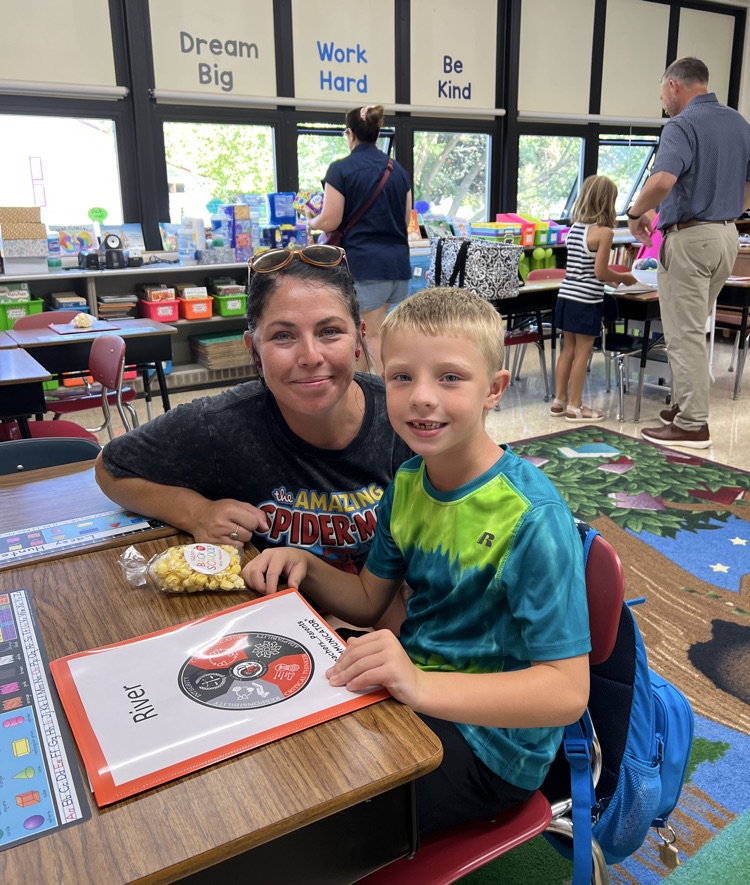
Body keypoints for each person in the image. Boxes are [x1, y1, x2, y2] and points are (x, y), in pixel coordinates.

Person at [243, 287, 591, 837]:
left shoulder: (531, 519)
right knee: (271, 752)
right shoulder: (408, 485)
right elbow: (366, 599)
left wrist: (419, 685)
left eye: (450, 378)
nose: (421, 397)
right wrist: (300, 560)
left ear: (493, 390)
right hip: (416, 692)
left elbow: (567, 694)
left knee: (300, 818)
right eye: (402, 377)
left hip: (494, 750)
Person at [95, 245, 412, 628]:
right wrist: (196, 512)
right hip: (265, 626)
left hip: (380, 627)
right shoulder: (223, 423)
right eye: (283, 336)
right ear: (254, 351)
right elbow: (111, 467)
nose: (310, 355)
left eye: (330, 331)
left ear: (360, 338)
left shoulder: (403, 418)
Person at [626, 57, 750, 449]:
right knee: (693, 328)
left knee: (684, 335)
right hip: (727, 235)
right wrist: (726, 208)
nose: (662, 102)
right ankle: (683, 406)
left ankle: (693, 423)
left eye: (662, 93)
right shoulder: (739, 123)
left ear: (674, 85)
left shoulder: (681, 124)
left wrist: (634, 212)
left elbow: (663, 179)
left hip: (692, 238)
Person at [308, 104, 412, 374]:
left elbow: (330, 220)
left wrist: (311, 221)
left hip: (365, 266)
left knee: (370, 334)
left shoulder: (341, 170)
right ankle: (377, 393)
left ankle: (374, 398)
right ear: (376, 134)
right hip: (397, 266)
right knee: (378, 331)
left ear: (349, 134)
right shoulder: (398, 171)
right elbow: (404, 221)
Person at [551, 175, 638, 422]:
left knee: (567, 350)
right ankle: (576, 406)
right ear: (608, 202)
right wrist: (624, 279)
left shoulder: (574, 229)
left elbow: (585, 269)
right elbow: (600, 272)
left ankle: (559, 400)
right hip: (587, 301)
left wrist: (610, 279)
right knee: (583, 352)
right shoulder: (604, 233)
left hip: (566, 296)